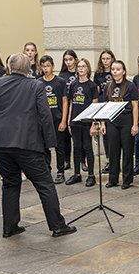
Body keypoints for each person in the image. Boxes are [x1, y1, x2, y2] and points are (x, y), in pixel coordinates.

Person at [0, 53, 76, 238]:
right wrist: (51, 143)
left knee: (10, 184)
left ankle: (9, 226)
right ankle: (57, 226)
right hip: (26, 143)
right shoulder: (35, 85)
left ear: (9, 67)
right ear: (29, 70)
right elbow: (45, 115)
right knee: (44, 184)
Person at [100, 60, 139, 189]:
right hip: (112, 121)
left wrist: (135, 124)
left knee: (127, 151)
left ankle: (127, 180)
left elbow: (135, 106)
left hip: (126, 121)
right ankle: (113, 179)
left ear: (123, 71)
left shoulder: (130, 86)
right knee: (113, 151)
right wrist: (103, 123)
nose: (115, 72)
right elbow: (105, 106)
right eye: (113, 69)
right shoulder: (108, 86)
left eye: (118, 69)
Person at [66, 58, 98, 187]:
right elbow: (72, 103)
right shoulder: (73, 85)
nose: (80, 68)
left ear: (88, 69)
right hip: (75, 122)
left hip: (87, 122)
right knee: (76, 147)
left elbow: (95, 106)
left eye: (83, 66)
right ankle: (77, 174)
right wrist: (69, 120)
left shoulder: (92, 86)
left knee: (88, 147)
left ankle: (91, 175)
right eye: (79, 66)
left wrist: (93, 124)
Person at [38, 55, 69, 184]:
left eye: (48, 66)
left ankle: (60, 171)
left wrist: (63, 120)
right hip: (43, 120)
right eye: (43, 66)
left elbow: (65, 101)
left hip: (57, 118)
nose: (46, 69)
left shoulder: (60, 81)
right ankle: (46, 170)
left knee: (59, 146)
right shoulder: (38, 82)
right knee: (44, 146)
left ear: (53, 66)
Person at [94, 49, 116, 173]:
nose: (105, 61)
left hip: (114, 104)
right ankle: (108, 161)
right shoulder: (98, 74)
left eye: (108, 58)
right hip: (103, 106)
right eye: (103, 58)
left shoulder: (115, 72)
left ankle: (117, 160)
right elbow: (97, 91)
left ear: (112, 59)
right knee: (106, 134)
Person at [58, 50, 79, 171]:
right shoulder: (62, 76)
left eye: (70, 59)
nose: (68, 62)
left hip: (78, 107)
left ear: (75, 60)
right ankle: (67, 160)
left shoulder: (81, 72)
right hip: (66, 108)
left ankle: (82, 161)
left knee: (79, 139)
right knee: (65, 138)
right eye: (66, 60)